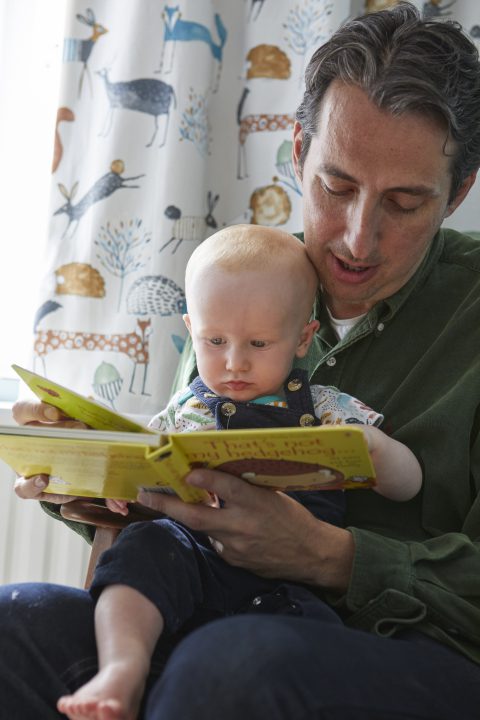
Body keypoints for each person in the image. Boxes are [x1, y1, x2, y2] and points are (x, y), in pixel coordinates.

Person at [4, 3, 480, 718]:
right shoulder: (240, 281)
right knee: (15, 619)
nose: (357, 237)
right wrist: (98, 476)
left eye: (405, 203)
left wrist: (327, 554)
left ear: (460, 194)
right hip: (208, 603)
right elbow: (178, 458)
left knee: (233, 666)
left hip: (410, 649)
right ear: (297, 152)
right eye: (336, 186)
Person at [54, 224, 421, 720]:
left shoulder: (328, 408)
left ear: (302, 338)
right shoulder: (185, 411)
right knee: (140, 552)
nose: (234, 363)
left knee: (310, 631)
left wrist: (377, 451)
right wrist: (125, 489)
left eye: (259, 343)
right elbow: (143, 468)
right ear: (191, 328)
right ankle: (122, 667)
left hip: (288, 581)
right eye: (215, 340)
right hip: (189, 559)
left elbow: (409, 486)